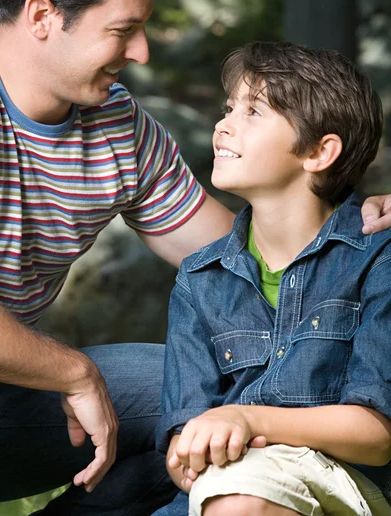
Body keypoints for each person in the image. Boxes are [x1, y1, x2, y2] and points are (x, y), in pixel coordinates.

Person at [0, 0, 237, 514]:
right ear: (43, 17)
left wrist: (348, 230)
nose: (142, 51)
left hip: (9, 400)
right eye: (123, 30)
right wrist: (74, 373)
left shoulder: (117, 125)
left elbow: (233, 257)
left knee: (219, 405)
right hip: (39, 381)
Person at [154, 41, 391, 516]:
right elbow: (182, 439)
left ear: (320, 152)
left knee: (242, 501)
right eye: (227, 109)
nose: (224, 125)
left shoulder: (377, 260)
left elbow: (377, 436)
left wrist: (244, 418)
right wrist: (191, 453)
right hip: (225, 481)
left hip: (344, 482)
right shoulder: (200, 279)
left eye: (253, 111)